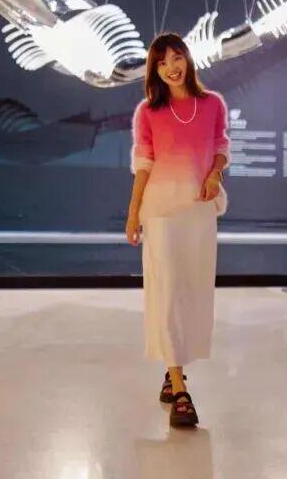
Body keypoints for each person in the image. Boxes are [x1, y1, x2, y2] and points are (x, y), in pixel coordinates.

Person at [125, 32, 231, 428]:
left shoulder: (213, 104)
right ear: (154, 70)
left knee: (190, 290)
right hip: (161, 213)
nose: (171, 67)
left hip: (199, 213)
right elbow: (143, 166)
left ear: (187, 58)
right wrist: (133, 212)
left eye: (176, 57)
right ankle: (180, 391)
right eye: (162, 62)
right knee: (167, 290)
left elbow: (220, 147)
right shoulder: (147, 112)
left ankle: (174, 372)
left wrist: (215, 174)